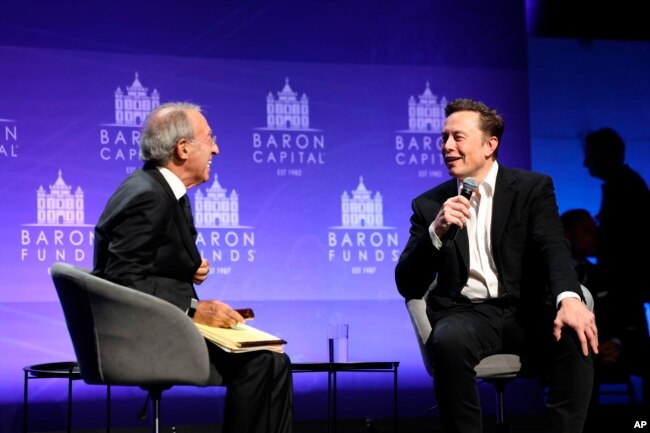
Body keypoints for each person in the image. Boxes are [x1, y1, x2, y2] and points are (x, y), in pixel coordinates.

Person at [395, 98, 598, 433]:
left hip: (527, 309)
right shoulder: (430, 204)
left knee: (577, 333)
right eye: (443, 138)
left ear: (490, 145)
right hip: (468, 313)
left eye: (457, 138)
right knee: (447, 342)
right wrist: (436, 231)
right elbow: (407, 283)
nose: (446, 147)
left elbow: (553, 244)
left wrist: (569, 297)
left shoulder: (532, 188)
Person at [93, 102, 293, 433]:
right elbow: (120, 281)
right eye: (209, 137)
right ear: (183, 148)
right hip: (140, 339)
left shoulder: (159, 189)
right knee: (263, 362)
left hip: (159, 328)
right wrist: (191, 309)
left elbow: (143, 264)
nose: (216, 147)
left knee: (273, 357)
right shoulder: (149, 197)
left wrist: (186, 269)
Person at [583, 127, 650, 409]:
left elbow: (625, 245)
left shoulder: (625, 188)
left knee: (635, 352)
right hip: (625, 290)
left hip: (625, 290)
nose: (585, 164)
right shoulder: (625, 185)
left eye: (590, 156)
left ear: (605, 155)